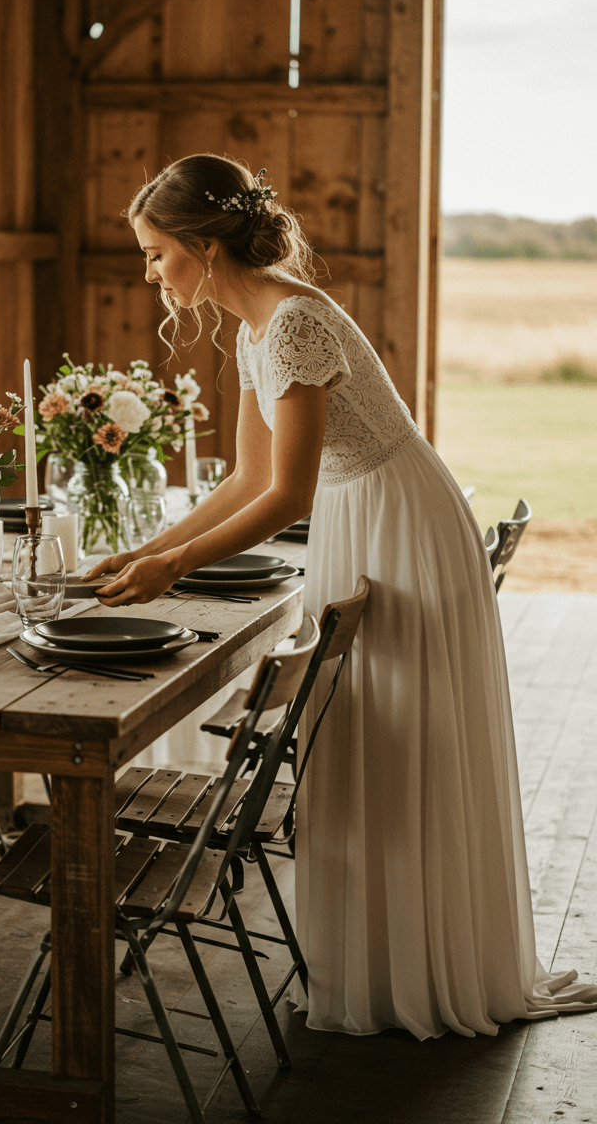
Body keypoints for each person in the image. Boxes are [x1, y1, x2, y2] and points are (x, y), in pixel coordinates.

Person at [84, 152, 597, 1039]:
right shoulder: (253, 329)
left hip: (399, 522)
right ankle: (390, 963)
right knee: (367, 739)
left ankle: (435, 969)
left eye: (156, 252)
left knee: (406, 741)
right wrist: (151, 546)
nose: (149, 271)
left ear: (206, 247)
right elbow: (247, 475)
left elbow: (287, 496)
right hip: (361, 518)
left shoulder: (290, 322)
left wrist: (176, 570)